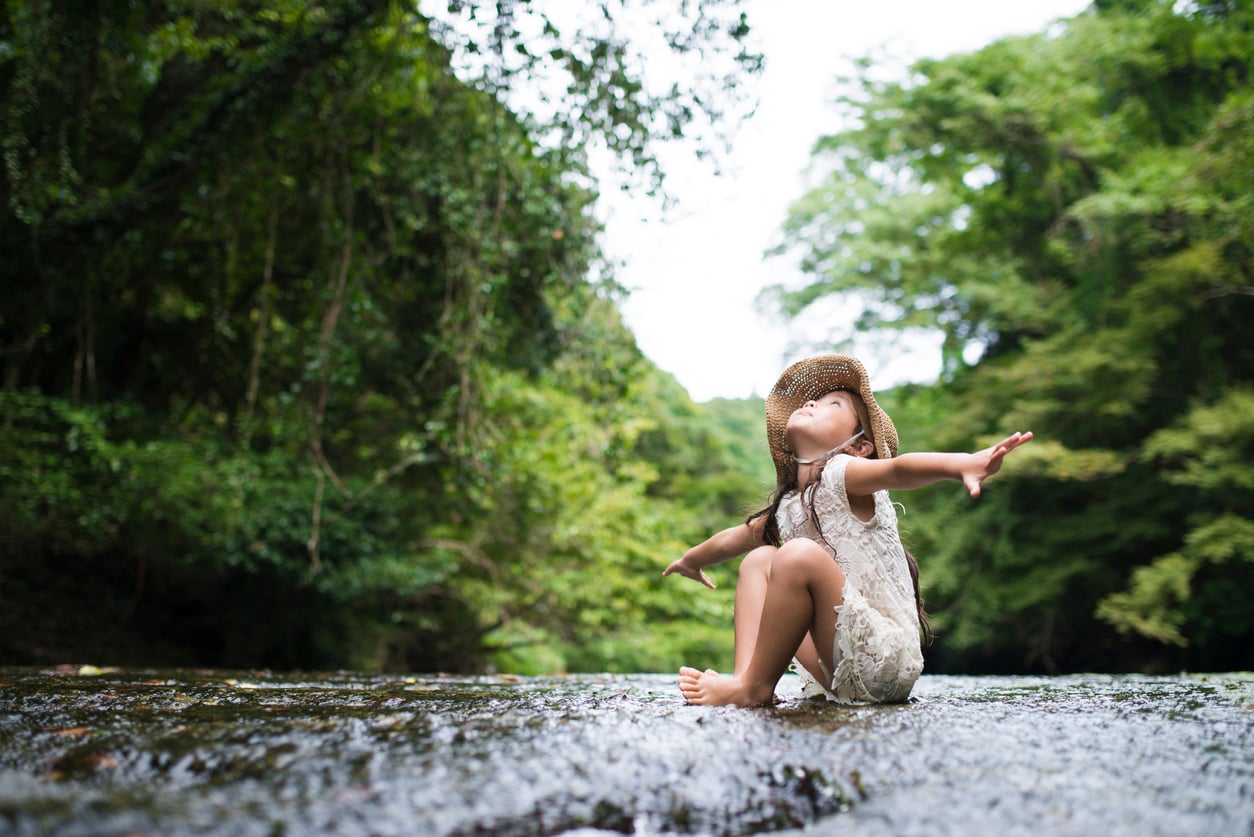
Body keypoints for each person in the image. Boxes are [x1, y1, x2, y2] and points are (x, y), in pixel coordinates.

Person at [663, 354, 1032, 707]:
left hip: (881, 659)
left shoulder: (845, 471)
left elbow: (900, 470)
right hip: (837, 661)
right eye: (812, 401)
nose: (811, 403)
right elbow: (736, 537)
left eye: (833, 404)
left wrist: (965, 464)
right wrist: (691, 560)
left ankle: (751, 689)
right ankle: (746, 680)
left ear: (860, 447)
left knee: (796, 555)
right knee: (760, 558)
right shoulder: (791, 504)